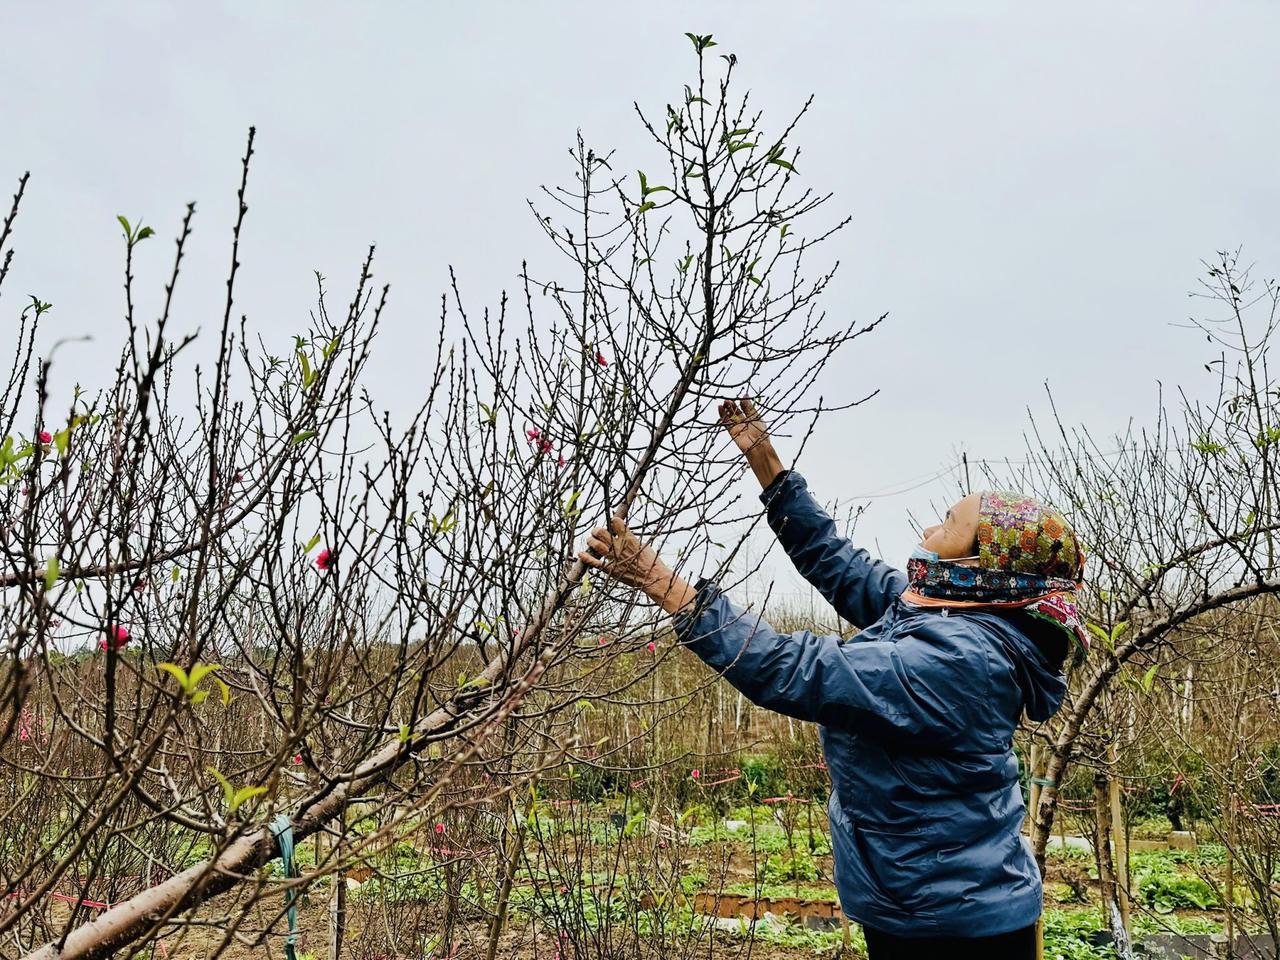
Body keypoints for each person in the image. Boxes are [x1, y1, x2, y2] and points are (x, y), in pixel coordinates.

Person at [578, 399, 1088, 960]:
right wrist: (766, 461)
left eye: (948, 526)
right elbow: (836, 561)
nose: (929, 528)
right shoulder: (951, 610)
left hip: (952, 925)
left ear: (979, 567)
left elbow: (788, 669)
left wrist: (656, 579)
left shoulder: (959, 662)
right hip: (919, 897)